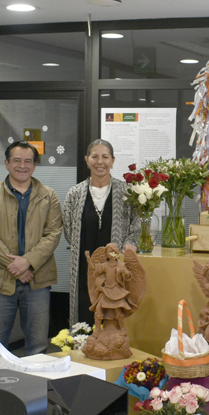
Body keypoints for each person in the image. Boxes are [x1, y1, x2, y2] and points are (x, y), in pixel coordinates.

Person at [0, 141, 63, 356]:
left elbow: (53, 234)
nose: (22, 166)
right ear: (6, 163)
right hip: (0, 281)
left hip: (38, 280)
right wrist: (15, 266)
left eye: (28, 161)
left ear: (34, 166)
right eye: (17, 160)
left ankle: (35, 388)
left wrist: (28, 262)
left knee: (37, 348)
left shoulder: (48, 195)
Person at [63, 139, 138, 327]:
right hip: (84, 265)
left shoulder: (127, 192)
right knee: (84, 313)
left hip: (115, 266)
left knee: (114, 311)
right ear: (87, 160)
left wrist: (129, 243)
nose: (100, 162)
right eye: (94, 157)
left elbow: (135, 226)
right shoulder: (75, 193)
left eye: (105, 157)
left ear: (113, 160)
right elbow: (68, 230)